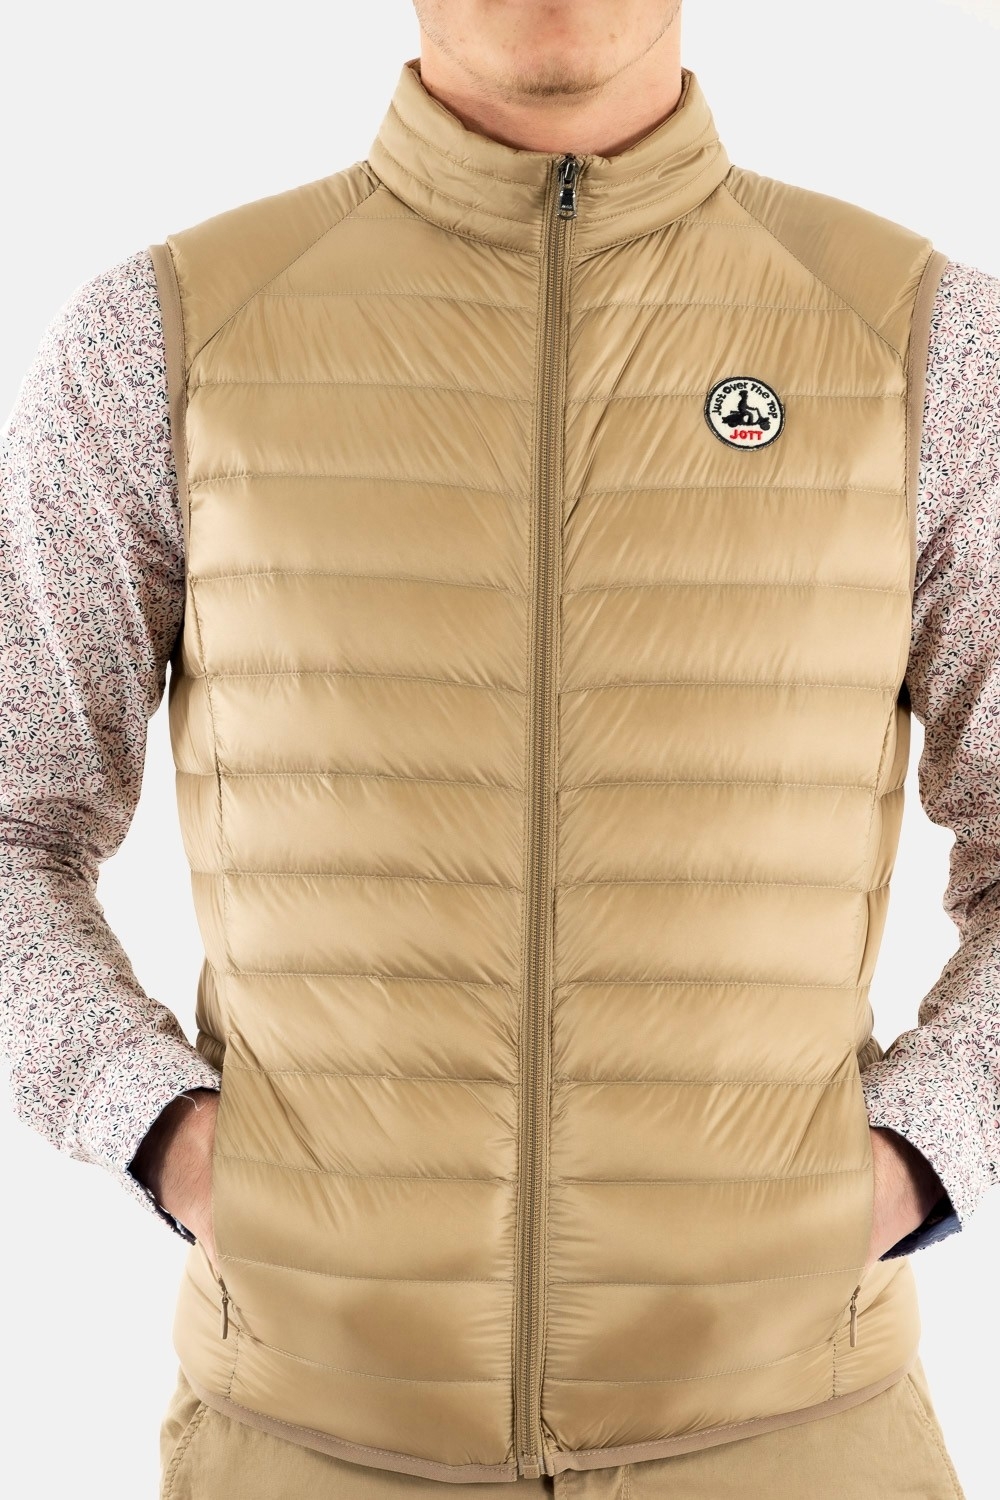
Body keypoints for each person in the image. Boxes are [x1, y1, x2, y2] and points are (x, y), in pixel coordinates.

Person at [1, 3, 995, 1496]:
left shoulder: (923, 342)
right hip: (307, 1438)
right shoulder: (167, 337)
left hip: (798, 1433)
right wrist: (169, 1140)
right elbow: (15, 822)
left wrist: (904, 1167)